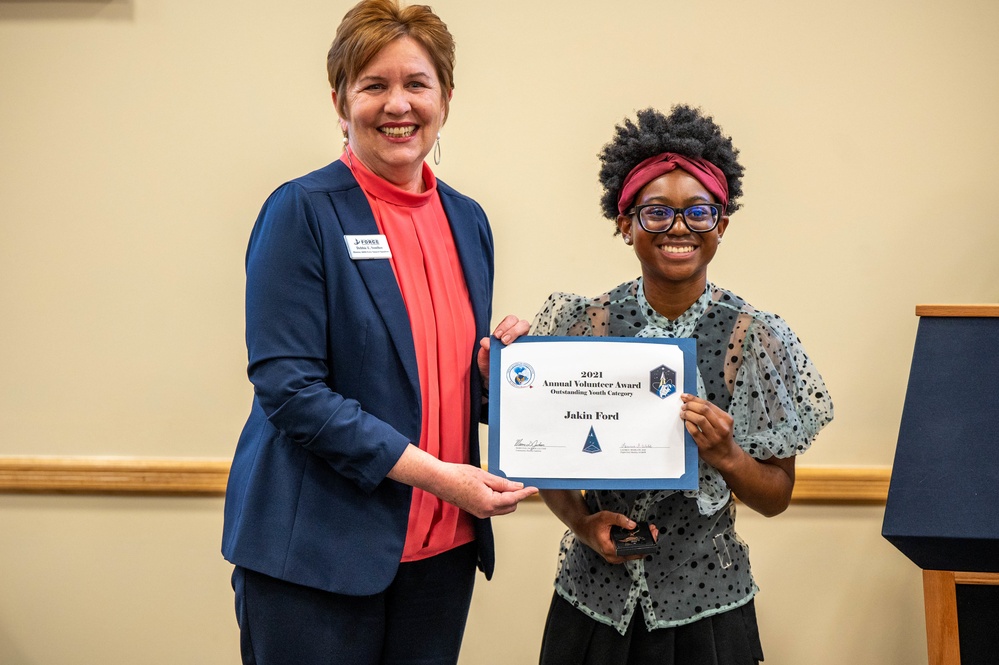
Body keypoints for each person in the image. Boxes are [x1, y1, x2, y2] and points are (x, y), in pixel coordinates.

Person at [221, 1, 537, 663]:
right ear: (340, 101)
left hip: (439, 558)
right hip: (317, 559)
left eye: (416, 84)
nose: (398, 104)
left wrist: (495, 378)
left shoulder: (467, 220)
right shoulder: (301, 211)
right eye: (373, 85)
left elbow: (426, 379)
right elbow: (291, 391)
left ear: (445, 98)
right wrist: (440, 476)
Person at [532, 105, 834, 665]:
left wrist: (728, 455)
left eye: (698, 211)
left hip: (708, 610)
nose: (678, 227)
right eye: (656, 212)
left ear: (721, 224)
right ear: (625, 224)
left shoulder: (757, 341)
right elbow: (547, 457)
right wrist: (581, 520)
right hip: (593, 603)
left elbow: (777, 495)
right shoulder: (582, 327)